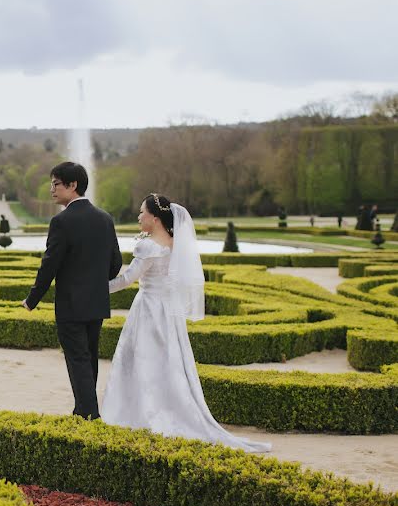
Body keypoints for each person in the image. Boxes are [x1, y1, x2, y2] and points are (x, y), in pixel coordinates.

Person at [102, 193, 271, 453]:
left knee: (143, 363)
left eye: (142, 213)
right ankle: (166, 408)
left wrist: (95, 288)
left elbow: (126, 280)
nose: (138, 217)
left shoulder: (148, 246)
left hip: (148, 311)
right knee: (168, 364)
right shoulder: (175, 244)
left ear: (155, 218)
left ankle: (141, 413)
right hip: (169, 313)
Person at [22, 162, 122, 419]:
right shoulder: (105, 218)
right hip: (96, 302)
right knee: (88, 359)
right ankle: (82, 410)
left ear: (72, 185)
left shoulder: (61, 221)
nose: (51, 189)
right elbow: (115, 263)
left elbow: (49, 265)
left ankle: (89, 415)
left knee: (77, 359)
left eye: (56, 184)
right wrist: (95, 282)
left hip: (70, 304)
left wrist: (32, 299)